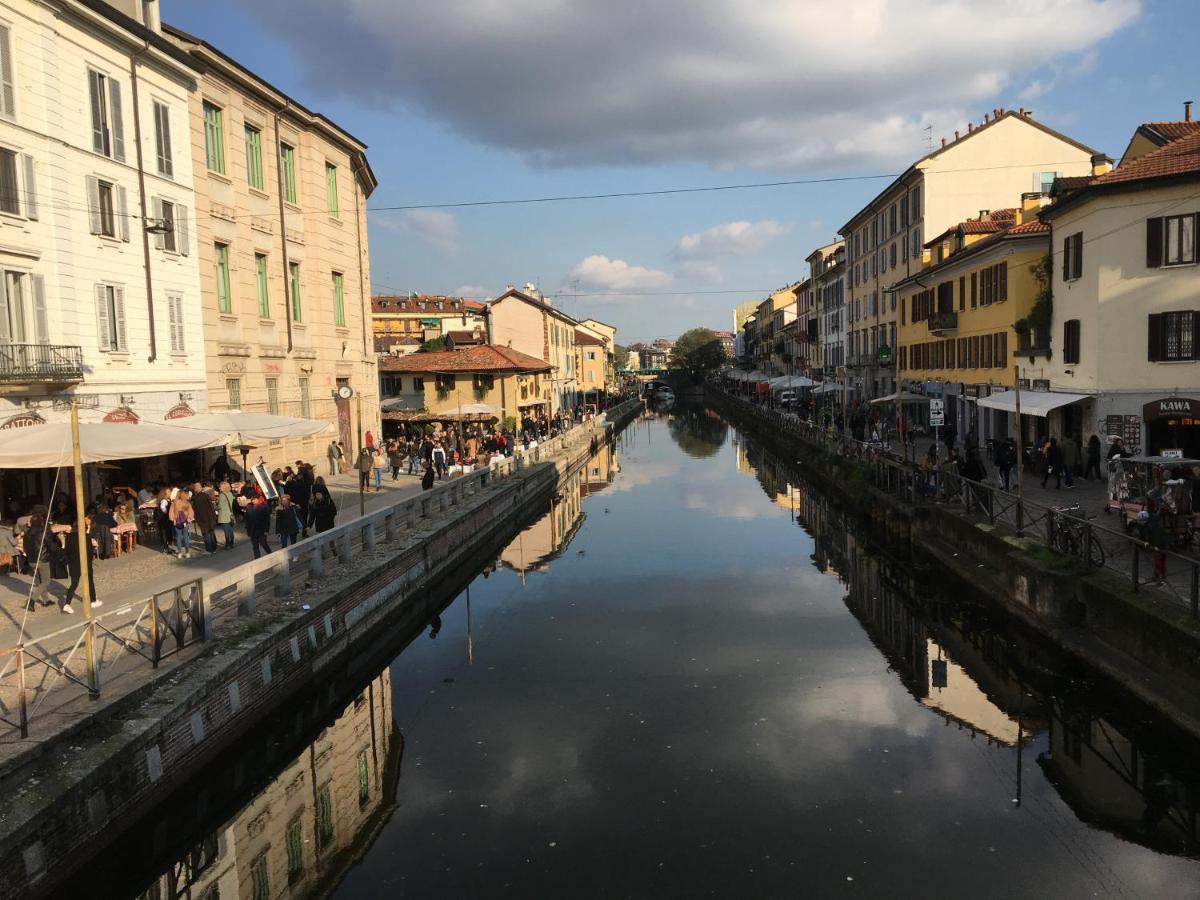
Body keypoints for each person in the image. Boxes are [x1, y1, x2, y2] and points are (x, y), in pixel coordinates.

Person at [25, 504, 55, 611]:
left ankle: (46, 600)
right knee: (45, 581)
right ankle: (32, 600)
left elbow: (25, 547)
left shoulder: (27, 533)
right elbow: (50, 545)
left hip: (32, 560)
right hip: (42, 559)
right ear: (41, 522)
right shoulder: (43, 532)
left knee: (40, 581)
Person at [191, 482, 218, 555]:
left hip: (202, 518)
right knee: (211, 532)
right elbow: (211, 506)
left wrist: (196, 519)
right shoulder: (206, 495)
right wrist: (213, 516)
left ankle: (209, 549)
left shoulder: (196, 498)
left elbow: (195, 510)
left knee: (206, 534)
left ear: (196, 489)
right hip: (210, 516)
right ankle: (214, 548)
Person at [169, 490, 195, 559]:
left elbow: (170, 514)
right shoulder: (186, 503)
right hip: (185, 522)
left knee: (178, 538)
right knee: (186, 537)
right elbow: (191, 513)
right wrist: (189, 519)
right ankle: (187, 553)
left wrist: (173, 520)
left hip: (177, 523)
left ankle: (179, 553)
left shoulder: (174, 503)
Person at [216, 481, 236, 549]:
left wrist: (216, 506)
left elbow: (220, 506)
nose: (219, 488)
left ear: (224, 487)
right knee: (230, 529)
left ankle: (228, 544)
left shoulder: (222, 495)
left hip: (223, 515)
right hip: (230, 514)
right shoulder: (230, 493)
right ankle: (232, 543)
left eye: (220, 487)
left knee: (226, 531)